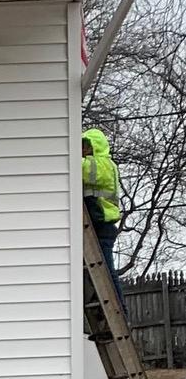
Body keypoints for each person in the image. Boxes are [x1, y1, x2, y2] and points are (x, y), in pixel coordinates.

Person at [82, 127, 125, 308]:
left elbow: (79, 168)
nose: (82, 150)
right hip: (102, 223)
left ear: (95, 146)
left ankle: (119, 308)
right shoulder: (105, 164)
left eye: (85, 146)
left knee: (106, 272)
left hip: (102, 224)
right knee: (100, 272)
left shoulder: (100, 164)